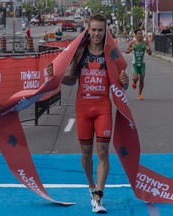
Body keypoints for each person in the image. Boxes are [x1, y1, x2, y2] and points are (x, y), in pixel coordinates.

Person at [47, 13, 129, 213]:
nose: (97, 34)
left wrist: (125, 83)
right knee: (86, 155)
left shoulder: (111, 55)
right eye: (93, 30)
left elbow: (120, 87)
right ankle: (92, 186)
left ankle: (99, 196)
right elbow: (71, 79)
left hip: (102, 109)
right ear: (88, 30)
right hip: (83, 109)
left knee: (102, 153)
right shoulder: (80, 52)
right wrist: (55, 77)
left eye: (100, 30)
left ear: (105, 31)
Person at [125, 28, 152, 100]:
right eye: (139, 34)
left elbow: (150, 54)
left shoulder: (145, 43)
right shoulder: (132, 43)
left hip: (142, 64)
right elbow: (126, 51)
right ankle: (134, 82)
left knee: (142, 80)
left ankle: (139, 94)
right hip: (135, 64)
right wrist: (130, 49)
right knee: (136, 78)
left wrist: (148, 49)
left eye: (141, 33)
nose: (140, 35)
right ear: (136, 35)